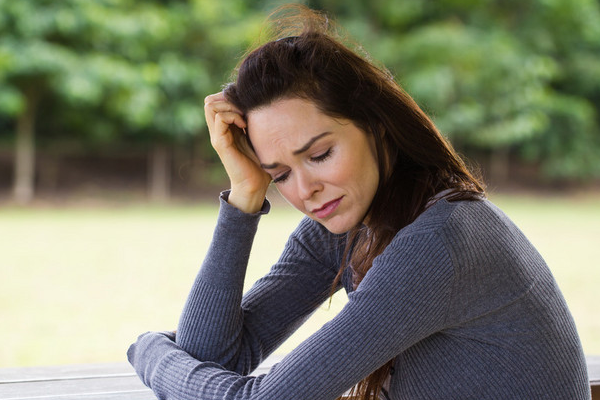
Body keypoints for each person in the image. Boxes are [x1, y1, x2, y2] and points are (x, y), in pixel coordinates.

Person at [127, 5, 590, 400]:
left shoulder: (441, 242)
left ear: (376, 126)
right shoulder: (347, 224)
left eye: (321, 154)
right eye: (280, 174)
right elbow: (215, 355)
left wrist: (148, 350)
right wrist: (245, 196)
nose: (305, 189)